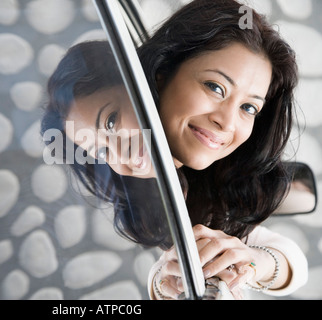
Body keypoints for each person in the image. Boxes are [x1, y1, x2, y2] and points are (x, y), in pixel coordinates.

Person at [41, 0, 308, 299]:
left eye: (248, 107)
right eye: (215, 87)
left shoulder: (213, 184)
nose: (226, 122)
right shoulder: (157, 194)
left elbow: (288, 258)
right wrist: (161, 281)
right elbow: (175, 259)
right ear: (161, 75)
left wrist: (253, 263)